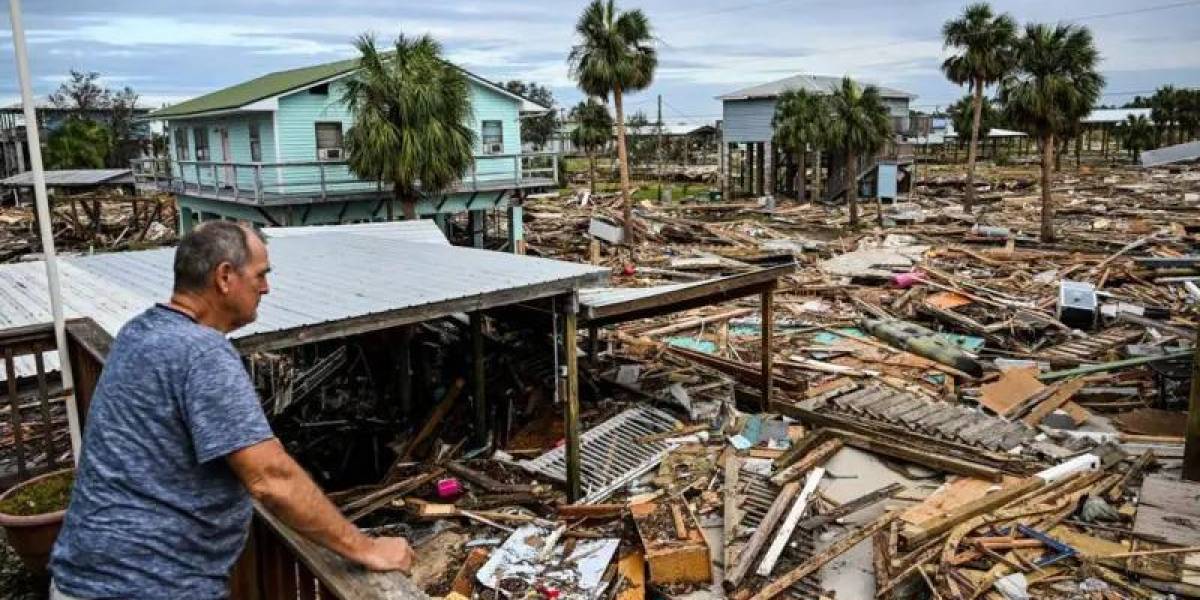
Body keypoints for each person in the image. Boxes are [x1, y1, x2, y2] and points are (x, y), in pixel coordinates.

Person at [49, 221, 412, 599]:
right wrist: (367, 548)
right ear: (225, 277)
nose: (266, 288)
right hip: (147, 586)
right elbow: (271, 479)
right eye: (260, 275)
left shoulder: (138, 333)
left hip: (83, 576)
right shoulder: (202, 352)